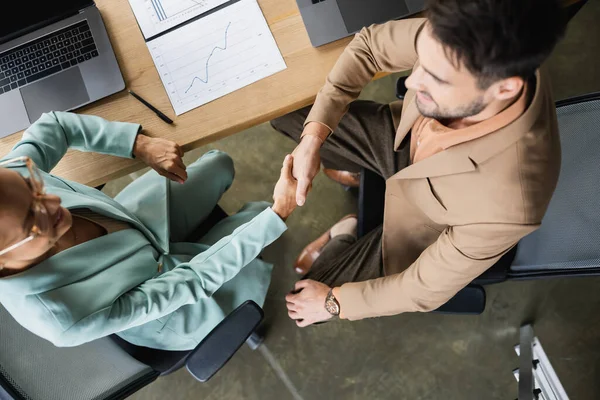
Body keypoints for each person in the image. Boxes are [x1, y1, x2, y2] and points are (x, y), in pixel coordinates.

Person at [273, 0, 567, 326]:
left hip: (421, 225)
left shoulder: (510, 206)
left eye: (435, 78)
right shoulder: (463, 38)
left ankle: (347, 228)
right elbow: (370, 46)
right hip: (404, 138)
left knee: (305, 300)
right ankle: (356, 168)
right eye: (421, 61)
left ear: (505, 87)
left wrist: (331, 303)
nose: (410, 82)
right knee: (286, 114)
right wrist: (313, 138)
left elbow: (422, 288)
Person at [0, 111, 297, 350]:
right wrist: (276, 215)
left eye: (35, 187)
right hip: (162, 296)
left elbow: (55, 125)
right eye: (33, 221)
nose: (54, 202)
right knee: (261, 216)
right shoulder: (63, 319)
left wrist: (138, 145)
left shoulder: (11, 181)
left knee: (219, 164)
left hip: (135, 225)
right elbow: (192, 280)